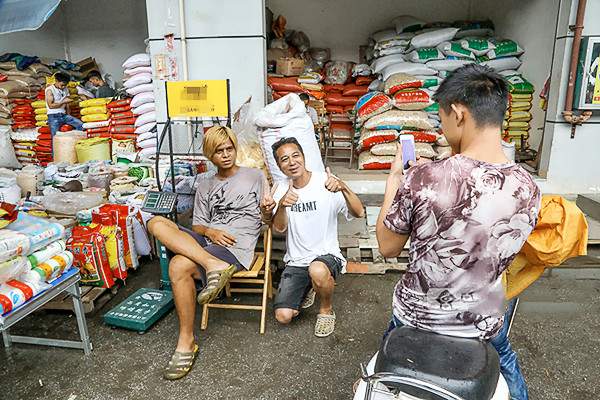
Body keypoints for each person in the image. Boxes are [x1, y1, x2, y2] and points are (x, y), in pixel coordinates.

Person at [375, 64, 540, 400]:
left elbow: (387, 246)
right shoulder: (528, 188)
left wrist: (396, 180)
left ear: (459, 113)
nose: (442, 127)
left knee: (382, 379)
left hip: (415, 320)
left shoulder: (424, 179)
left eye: (442, 118)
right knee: (506, 364)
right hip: (482, 323)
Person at [147, 126, 267, 380]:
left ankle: (186, 341)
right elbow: (198, 225)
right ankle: (212, 264)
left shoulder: (255, 176)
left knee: (179, 265)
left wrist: (270, 209)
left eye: (229, 148)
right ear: (209, 156)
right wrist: (210, 233)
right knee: (156, 222)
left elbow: (268, 218)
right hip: (209, 242)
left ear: (235, 148)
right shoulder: (205, 183)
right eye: (218, 151)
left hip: (236, 246)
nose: (225, 155)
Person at [261, 137, 364, 337]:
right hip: (297, 261)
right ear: (280, 166)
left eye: (295, 156)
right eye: (284, 159)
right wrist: (281, 205)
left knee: (317, 269)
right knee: (283, 316)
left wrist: (343, 186)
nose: (292, 162)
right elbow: (279, 228)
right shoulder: (281, 188)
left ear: (303, 157)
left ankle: (326, 310)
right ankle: (309, 285)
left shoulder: (325, 182)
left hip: (326, 256)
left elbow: (359, 212)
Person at [45, 72, 83, 138]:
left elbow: (67, 104)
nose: (63, 87)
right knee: (55, 137)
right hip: (53, 116)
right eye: (62, 85)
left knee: (81, 125)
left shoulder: (66, 89)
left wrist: (68, 114)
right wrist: (62, 102)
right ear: (56, 81)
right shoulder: (49, 90)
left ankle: (74, 141)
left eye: (65, 85)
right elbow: (50, 106)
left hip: (64, 115)